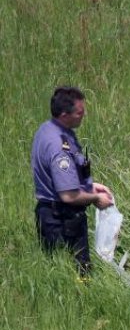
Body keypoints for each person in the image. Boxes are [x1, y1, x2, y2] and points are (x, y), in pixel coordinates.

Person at [31, 86, 114, 274]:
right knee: (77, 272)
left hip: (53, 213)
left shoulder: (50, 129)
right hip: (62, 220)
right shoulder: (58, 146)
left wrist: (92, 186)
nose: (83, 115)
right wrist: (95, 199)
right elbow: (69, 195)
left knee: (60, 271)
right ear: (64, 114)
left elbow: (67, 176)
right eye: (79, 112)